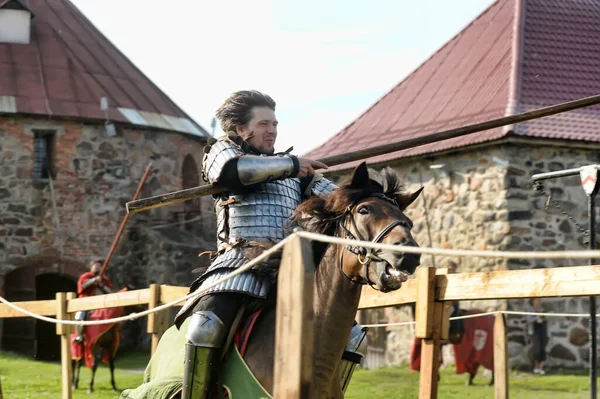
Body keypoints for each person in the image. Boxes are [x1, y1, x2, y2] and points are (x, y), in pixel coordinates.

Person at [173, 90, 364, 398]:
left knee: (353, 336)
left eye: (274, 123)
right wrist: (292, 165)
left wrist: (369, 196)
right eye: (263, 123)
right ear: (240, 128)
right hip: (239, 263)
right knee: (204, 328)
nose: (272, 130)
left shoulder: (294, 171)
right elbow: (235, 173)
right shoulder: (221, 151)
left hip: (289, 268)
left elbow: (338, 199)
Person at [73, 259, 114, 343]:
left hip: (101, 303)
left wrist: (102, 286)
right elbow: (83, 286)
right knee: (80, 315)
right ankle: (79, 335)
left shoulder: (104, 279)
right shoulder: (86, 276)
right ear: (91, 267)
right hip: (86, 302)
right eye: (95, 265)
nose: (96, 267)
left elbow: (111, 292)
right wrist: (94, 280)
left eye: (99, 266)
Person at [527, 297, 548, 375]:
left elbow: (546, 320)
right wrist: (537, 316)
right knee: (537, 348)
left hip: (542, 330)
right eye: (537, 300)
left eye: (539, 300)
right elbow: (529, 320)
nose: (538, 302)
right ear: (532, 301)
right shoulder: (531, 310)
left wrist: (542, 315)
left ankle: (541, 367)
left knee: (542, 348)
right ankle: (536, 367)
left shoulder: (542, 309)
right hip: (534, 331)